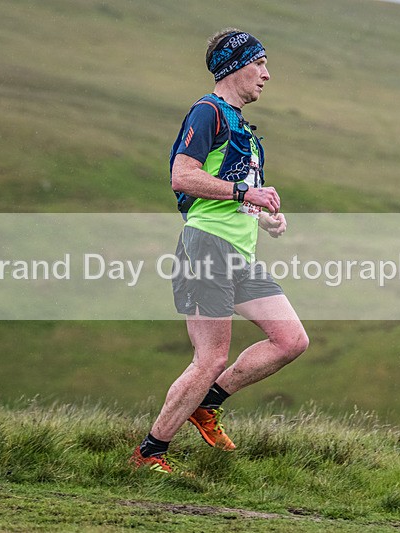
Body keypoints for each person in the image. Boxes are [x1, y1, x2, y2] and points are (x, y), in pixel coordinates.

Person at [130, 28, 309, 473]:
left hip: (239, 253)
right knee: (210, 357)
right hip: (206, 246)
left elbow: (233, 195)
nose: (267, 75)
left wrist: (264, 218)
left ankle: (206, 404)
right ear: (235, 66)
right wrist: (246, 195)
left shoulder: (243, 129)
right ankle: (149, 453)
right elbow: (182, 177)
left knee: (291, 340)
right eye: (260, 63)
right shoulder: (206, 111)